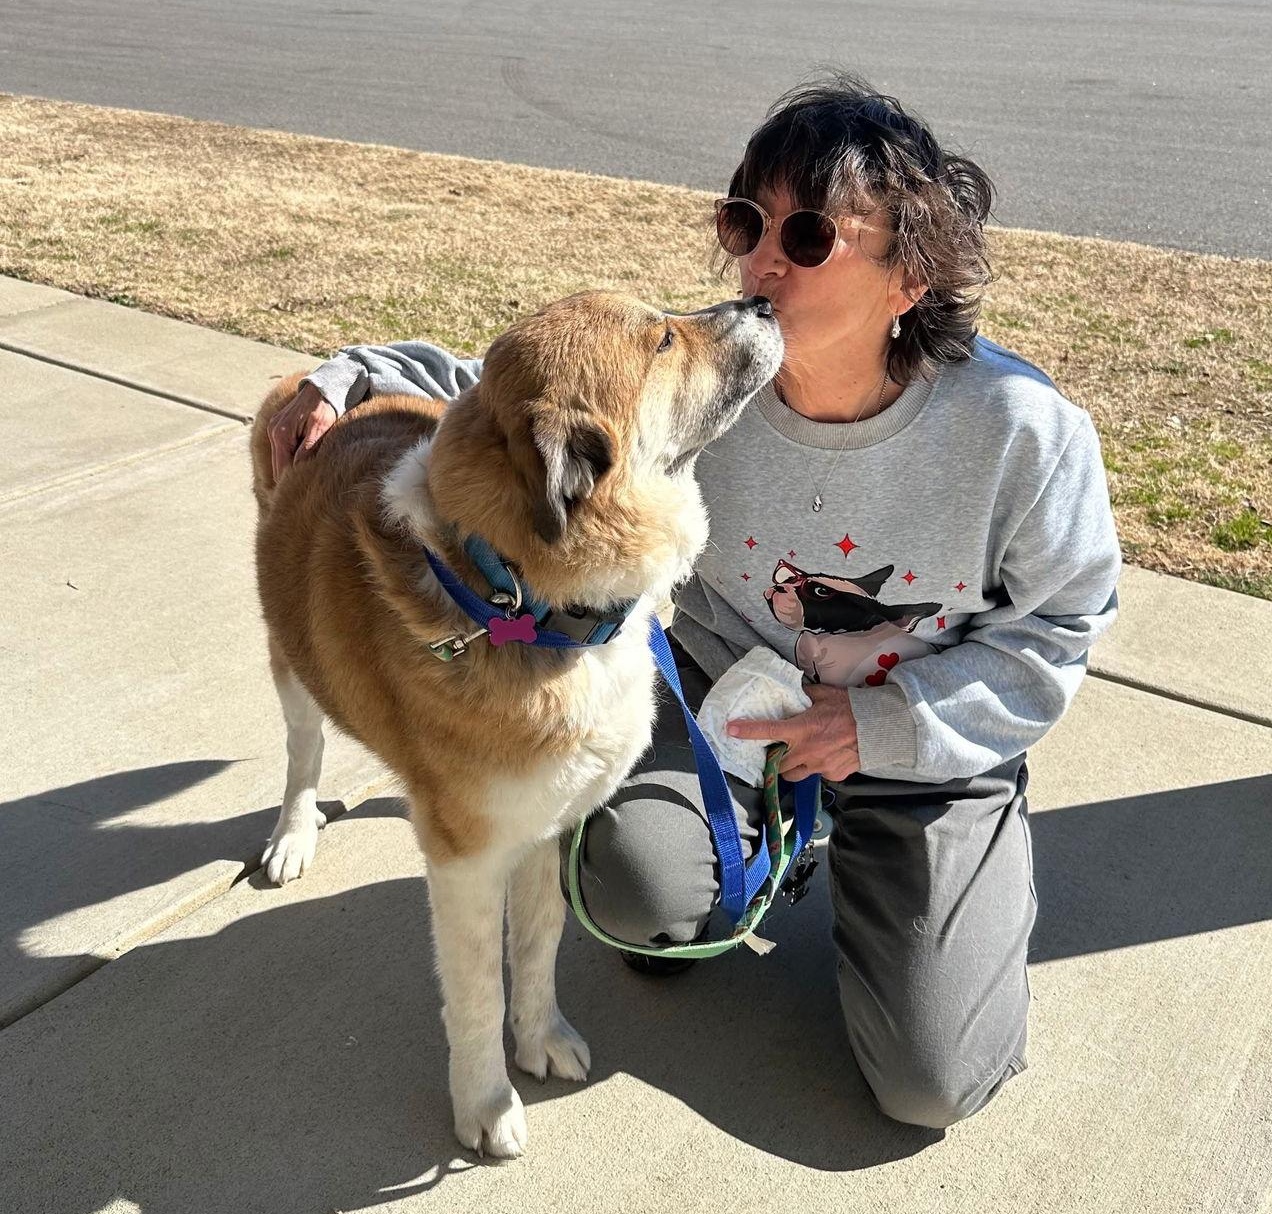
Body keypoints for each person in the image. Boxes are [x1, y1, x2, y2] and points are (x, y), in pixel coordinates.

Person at [268, 72, 1121, 1131]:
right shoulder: (715, 382)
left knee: (929, 1086)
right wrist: (346, 376)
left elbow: (1060, 629)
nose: (762, 258)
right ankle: (776, 847)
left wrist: (886, 729)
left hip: (922, 743)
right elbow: (519, 397)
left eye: (808, 237)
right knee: (633, 902)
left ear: (910, 276)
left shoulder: (1023, 433)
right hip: (733, 702)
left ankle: (935, 874)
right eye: (745, 220)